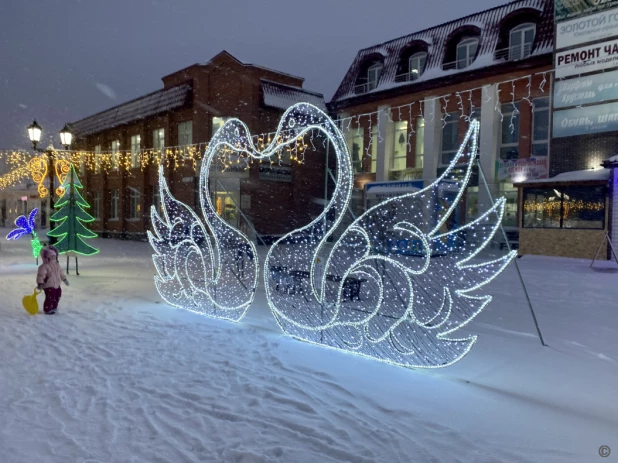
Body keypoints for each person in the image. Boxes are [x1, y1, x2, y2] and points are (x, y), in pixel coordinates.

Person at [36, 246, 69, 314]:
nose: (53, 258)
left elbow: (61, 273)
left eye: (54, 256)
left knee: (58, 295)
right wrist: (40, 283)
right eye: (51, 256)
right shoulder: (44, 266)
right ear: (46, 257)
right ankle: (48, 309)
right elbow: (41, 275)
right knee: (50, 297)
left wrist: (64, 279)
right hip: (48, 285)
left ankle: (54, 307)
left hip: (57, 284)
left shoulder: (57, 265)